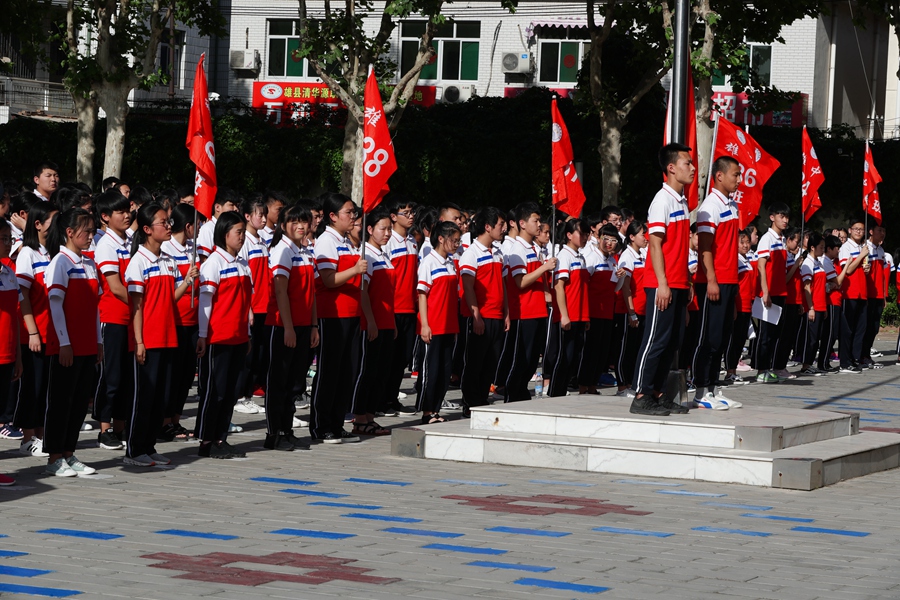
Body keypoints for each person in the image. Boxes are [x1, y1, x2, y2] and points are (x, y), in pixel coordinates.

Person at [124, 202, 198, 467]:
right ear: (146, 229)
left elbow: (170, 298)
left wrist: (187, 281)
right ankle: (134, 450)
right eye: (163, 222)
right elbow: (137, 306)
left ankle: (149, 445)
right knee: (144, 396)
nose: (169, 226)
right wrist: (140, 341)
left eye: (168, 221)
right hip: (150, 339)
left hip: (169, 336)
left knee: (160, 398)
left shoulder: (167, 260)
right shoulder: (138, 262)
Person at [630, 143, 694, 416]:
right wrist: (663, 283)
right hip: (662, 283)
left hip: (679, 282)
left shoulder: (681, 200)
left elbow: (679, 247)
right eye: (686, 163)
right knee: (655, 339)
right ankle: (641, 394)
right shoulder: (662, 200)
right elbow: (655, 245)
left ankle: (658, 392)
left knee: (672, 341)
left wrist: (687, 283)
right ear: (671, 168)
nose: (691, 168)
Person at [43, 207, 102, 477]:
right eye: (86, 231)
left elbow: (96, 307)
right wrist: (64, 343)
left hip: (88, 344)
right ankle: (55, 456)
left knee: (79, 403)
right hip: (66, 346)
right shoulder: (60, 262)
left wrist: (99, 340)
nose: (91, 236)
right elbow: (55, 305)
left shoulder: (89, 264)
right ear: (69, 232)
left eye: (92, 231)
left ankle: (69, 452)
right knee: (61, 402)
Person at [196, 212, 253, 459]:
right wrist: (201, 335)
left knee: (231, 391)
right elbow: (205, 303)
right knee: (215, 392)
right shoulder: (213, 264)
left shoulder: (242, 264)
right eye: (238, 232)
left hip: (239, 337)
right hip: (218, 337)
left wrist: (248, 334)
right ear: (224, 233)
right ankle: (207, 440)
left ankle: (221, 437)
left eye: (243, 232)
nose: (242, 237)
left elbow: (247, 304)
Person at [310, 193, 365, 444]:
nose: (353, 217)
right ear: (332, 217)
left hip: (351, 313)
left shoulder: (347, 241)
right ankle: (322, 426)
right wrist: (354, 270)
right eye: (348, 212)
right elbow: (329, 280)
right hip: (332, 314)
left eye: (354, 212)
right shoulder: (326, 241)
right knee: (330, 372)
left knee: (347, 372)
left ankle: (337, 422)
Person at [264, 203, 318, 451]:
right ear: (284, 225)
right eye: (294, 222)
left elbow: (312, 294)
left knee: (295, 382)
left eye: (304, 221)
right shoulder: (281, 251)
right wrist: (288, 327)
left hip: (304, 325)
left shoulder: (305, 251)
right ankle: (274, 433)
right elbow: (280, 291)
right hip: (283, 324)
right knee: (279, 381)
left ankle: (287, 430)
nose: (300, 226)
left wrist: (314, 325)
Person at [691, 155, 742, 410]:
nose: (739, 180)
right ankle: (700, 391)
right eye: (735, 174)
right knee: (708, 339)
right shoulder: (709, 207)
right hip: (714, 281)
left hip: (729, 280)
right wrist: (711, 279)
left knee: (722, 339)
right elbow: (705, 248)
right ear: (719, 176)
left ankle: (713, 388)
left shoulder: (732, 206)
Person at [13, 202, 58, 455]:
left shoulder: (52, 253)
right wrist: (32, 331)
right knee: (32, 385)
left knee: (45, 387)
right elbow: (23, 296)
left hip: (51, 332)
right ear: (38, 224)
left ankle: (40, 435)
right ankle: (27, 438)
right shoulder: (27, 253)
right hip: (34, 332)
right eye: (53, 222)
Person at [159, 204, 204, 441]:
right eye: (197, 225)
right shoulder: (167, 250)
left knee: (187, 375)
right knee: (172, 375)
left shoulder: (192, 250)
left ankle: (175, 420)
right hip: (175, 321)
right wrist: (187, 281)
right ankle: (164, 421)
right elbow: (170, 293)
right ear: (188, 226)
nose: (200, 229)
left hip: (193, 320)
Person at [93, 190, 134, 450]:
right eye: (120, 212)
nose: (127, 215)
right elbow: (116, 286)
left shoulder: (129, 241)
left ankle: (120, 426)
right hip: (113, 316)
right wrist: (143, 304)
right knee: (112, 375)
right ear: (106, 217)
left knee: (127, 376)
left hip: (131, 317)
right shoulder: (106, 244)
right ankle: (104, 428)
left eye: (128, 210)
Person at [505, 203, 556, 402]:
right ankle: (512, 394)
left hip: (537, 310)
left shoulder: (532, 248)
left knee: (532, 358)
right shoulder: (518, 249)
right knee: (521, 358)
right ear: (522, 223)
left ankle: (521, 392)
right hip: (524, 311)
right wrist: (544, 268)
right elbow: (520, 282)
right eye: (535, 221)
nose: (539, 224)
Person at [459, 207, 507, 414]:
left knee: (491, 362)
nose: (504, 229)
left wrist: (507, 313)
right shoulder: (471, 253)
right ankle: (470, 402)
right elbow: (468, 287)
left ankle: (481, 400)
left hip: (497, 315)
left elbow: (502, 284)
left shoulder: (498, 252)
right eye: (500, 225)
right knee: (475, 362)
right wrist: (476, 315)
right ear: (487, 227)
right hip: (480, 316)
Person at [351, 206, 394, 435]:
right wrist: (371, 320)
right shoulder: (366, 255)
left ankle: (370, 416)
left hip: (386, 322)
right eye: (382, 228)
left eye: (389, 229)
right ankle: (359, 417)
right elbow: (363, 291)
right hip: (372, 323)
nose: (387, 233)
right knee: (367, 372)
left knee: (380, 373)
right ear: (370, 229)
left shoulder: (384, 255)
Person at [416, 221, 461, 424]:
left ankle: (435, 408)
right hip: (433, 324)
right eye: (454, 240)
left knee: (444, 370)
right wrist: (425, 324)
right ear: (440, 238)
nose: (457, 244)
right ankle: (426, 411)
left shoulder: (451, 262)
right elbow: (422, 295)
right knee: (430, 371)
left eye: (459, 240)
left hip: (449, 324)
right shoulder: (429, 262)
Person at [234, 196, 270, 414]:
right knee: (247, 355)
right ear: (247, 216)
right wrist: (247, 307)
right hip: (253, 306)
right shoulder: (244, 242)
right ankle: (240, 395)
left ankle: (250, 391)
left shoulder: (262, 241)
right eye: (260, 215)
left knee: (259, 354)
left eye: (265, 214)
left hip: (265, 305)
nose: (264, 219)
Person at [546, 219, 590, 398]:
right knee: (564, 356)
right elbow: (559, 286)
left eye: (587, 234)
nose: (585, 237)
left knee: (573, 357)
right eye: (582, 233)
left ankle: (561, 389)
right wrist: (564, 315)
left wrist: (586, 317)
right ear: (569, 235)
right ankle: (554, 391)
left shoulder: (580, 257)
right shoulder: (564, 256)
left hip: (580, 314)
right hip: (568, 314)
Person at [382, 199, 418, 415]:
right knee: (389, 359)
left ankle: (392, 398)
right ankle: (382, 400)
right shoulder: (388, 242)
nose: (411, 216)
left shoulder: (413, 241)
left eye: (412, 212)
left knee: (402, 359)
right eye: (405, 212)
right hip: (393, 308)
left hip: (409, 308)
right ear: (393, 216)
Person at [580, 223, 619, 395]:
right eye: (606, 239)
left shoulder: (612, 261)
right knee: (590, 350)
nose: (609, 243)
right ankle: (583, 385)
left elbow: (615, 288)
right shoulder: (591, 258)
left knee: (602, 351)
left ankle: (593, 384)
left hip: (607, 312)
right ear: (599, 238)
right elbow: (583, 285)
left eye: (613, 240)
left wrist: (621, 278)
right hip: (593, 311)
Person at [754, 203, 790, 384]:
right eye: (781, 216)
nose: (785, 220)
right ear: (772, 217)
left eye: (786, 217)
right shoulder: (766, 239)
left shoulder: (782, 240)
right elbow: (761, 265)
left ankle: (769, 367)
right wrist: (765, 291)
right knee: (765, 334)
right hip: (768, 293)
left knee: (776, 334)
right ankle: (761, 369)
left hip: (780, 292)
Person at [613, 221, 648, 397]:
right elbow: (625, 286)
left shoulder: (641, 255)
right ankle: (621, 385)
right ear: (632, 237)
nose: (646, 238)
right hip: (628, 310)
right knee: (624, 349)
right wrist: (631, 312)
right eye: (642, 234)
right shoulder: (627, 256)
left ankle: (631, 383)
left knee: (635, 349)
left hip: (642, 309)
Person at [723, 229, 756, 385]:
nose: (745, 245)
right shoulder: (734, 260)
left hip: (747, 306)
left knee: (740, 340)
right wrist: (733, 307)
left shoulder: (746, 260)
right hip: (738, 306)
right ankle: (730, 372)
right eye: (742, 242)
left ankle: (734, 371)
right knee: (733, 341)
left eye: (747, 242)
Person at [838, 218, 869, 373]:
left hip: (862, 293)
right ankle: (845, 361)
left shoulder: (862, 246)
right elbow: (848, 269)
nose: (859, 232)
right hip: (849, 293)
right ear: (849, 230)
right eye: (856, 229)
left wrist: (865, 265)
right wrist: (861, 256)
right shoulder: (846, 247)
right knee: (848, 329)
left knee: (860, 328)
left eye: (861, 229)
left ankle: (856, 358)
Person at [797, 232, 829, 375]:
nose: (823, 250)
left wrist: (824, 307)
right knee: (810, 338)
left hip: (821, 305)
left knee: (816, 339)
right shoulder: (808, 263)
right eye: (821, 247)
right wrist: (810, 308)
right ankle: (805, 365)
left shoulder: (818, 262)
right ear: (812, 247)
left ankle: (810, 363)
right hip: (813, 306)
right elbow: (806, 287)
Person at [861, 224, 886, 368]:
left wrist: (883, 295)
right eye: (879, 230)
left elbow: (881, 276)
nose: (882, 233)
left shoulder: (881, 250)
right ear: (871, 232)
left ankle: (866, 354)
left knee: (874, 327)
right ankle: (861, 355)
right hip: (868, 294)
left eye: (883, 231)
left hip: (878, 295)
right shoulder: (866, 248)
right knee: (866, 325)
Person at [819, 235, 845, 372]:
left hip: (835, 300)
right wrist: (846, 268)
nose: (838, 251)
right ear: (829, 249)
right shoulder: (826, 261)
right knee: (829, 334)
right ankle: (823, 362)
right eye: (837, 248)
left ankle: (825, 362)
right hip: (831, 301)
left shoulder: (829, 261)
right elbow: (837, 282)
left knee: (832, 333)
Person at [196, 189, 239, 261]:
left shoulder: (232, 228)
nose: (236, 209)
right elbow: (203, 258)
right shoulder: (208, 229)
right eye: (231, 205)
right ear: (217, 207)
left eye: (236, 205)